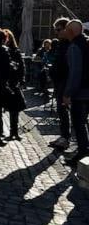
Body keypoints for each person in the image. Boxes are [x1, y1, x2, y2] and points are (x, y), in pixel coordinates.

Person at [62, 19, 89, 166]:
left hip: (80, 92)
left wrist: (67, 94)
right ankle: (83, 150)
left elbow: (75, 73)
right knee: (83, 123)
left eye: (66, 29)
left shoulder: (74, 47)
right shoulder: (87, 43)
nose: (64, 31)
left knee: (79, 124)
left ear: (71, 32)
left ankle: (82, 154)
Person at [48, 17, 71, 150]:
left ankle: (65, 138)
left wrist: (54, 71)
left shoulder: (68, 44)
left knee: (64, 111)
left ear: (65, 29)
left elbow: (65, 65)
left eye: (58, 30)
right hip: (60, 81)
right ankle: (64, 136)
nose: (56, 32)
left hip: (65, 82)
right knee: (61, 111)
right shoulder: (61, 43)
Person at [3, 29, 26, 141]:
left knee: (14, 109)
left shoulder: (15, 51)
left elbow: (21, 67)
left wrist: (21, 80)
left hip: (13, 83)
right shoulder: (0, 51)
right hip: (2, 83)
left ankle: (14, 132)